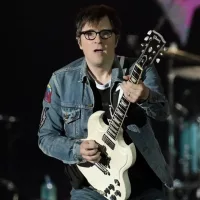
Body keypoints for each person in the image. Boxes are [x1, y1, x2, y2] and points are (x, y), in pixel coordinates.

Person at [38, 4, 173, 200]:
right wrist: (78, 149)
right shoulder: (60, 81)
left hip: (142, 183)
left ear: (116, 39)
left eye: (105, 33)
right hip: (90, 186)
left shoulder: (141, 70)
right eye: (89, 34)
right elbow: (45, 137)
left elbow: (163, 112)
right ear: (79, 42)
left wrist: (145, 96)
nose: (98, 40)